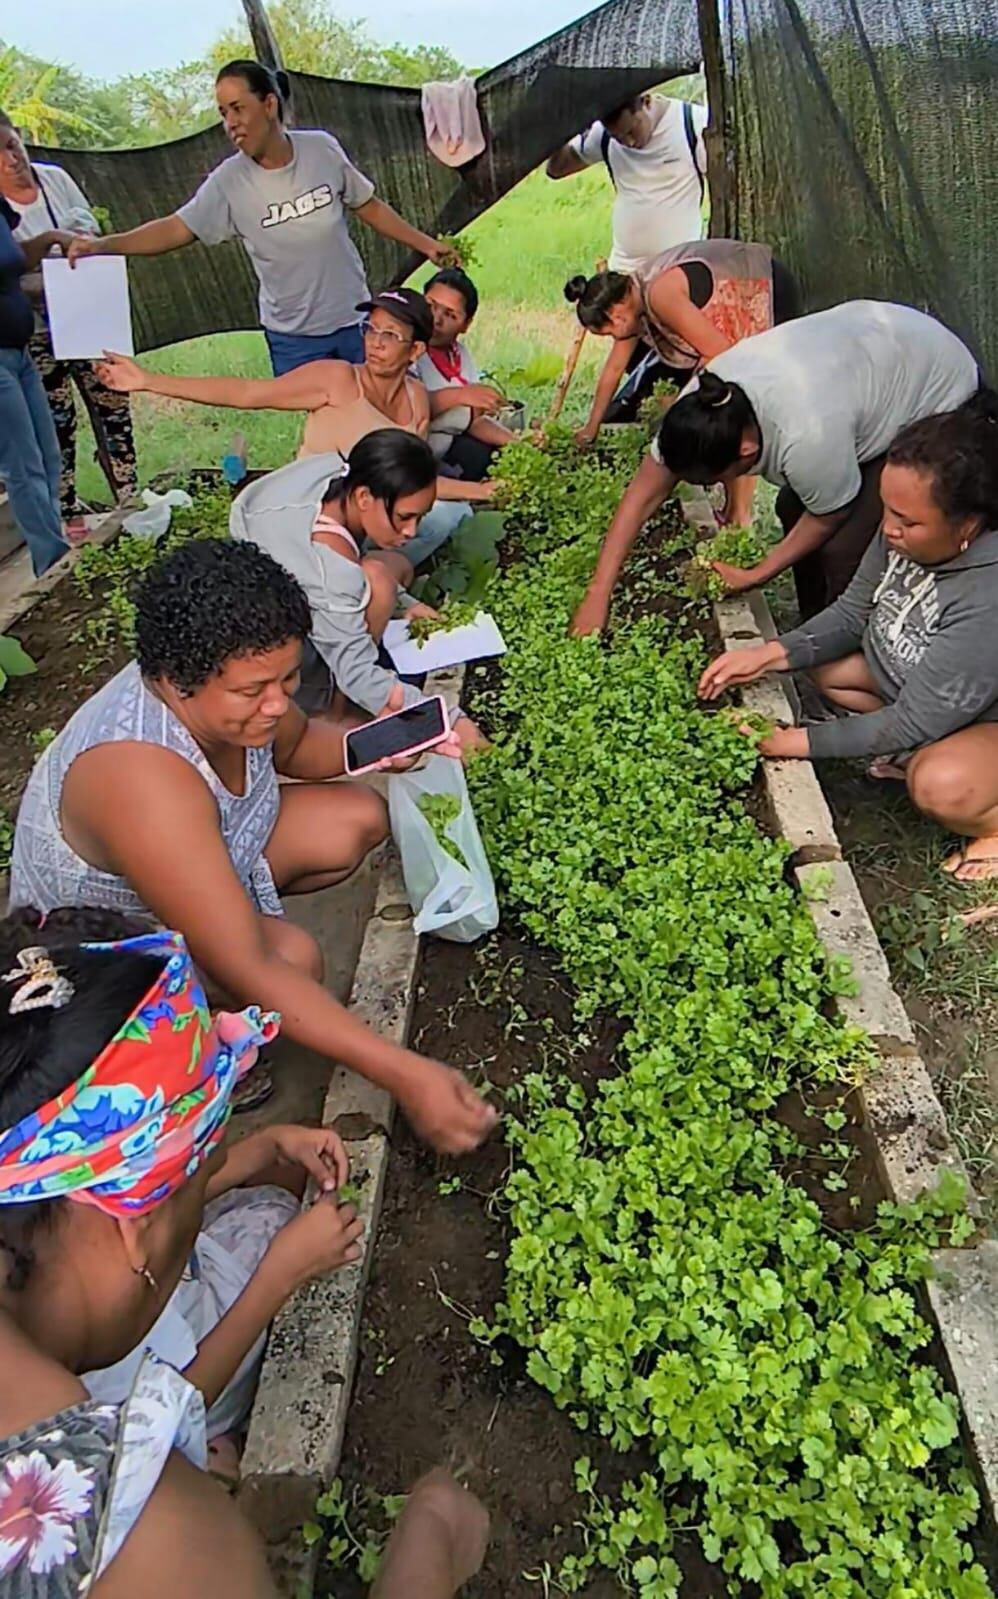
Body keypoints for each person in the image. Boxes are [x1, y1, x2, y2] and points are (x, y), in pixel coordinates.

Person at [9, 538, 497, 1154]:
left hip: (198, 857)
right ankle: (203, 1050)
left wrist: (389, 745)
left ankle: (217, 946)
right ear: (174, 681)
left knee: (356, 819)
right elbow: (256, 964)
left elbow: (296, 748)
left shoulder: (237, 682)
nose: (277, 704)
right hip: (104, 958)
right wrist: (405, 1072)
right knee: (290, 961)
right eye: (253, 691)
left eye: (289, 679)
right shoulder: (139, 777)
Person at [699, 391, 998, 885]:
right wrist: (768, 655)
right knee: (821, 664)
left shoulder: (987, 594)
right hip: (932, 693)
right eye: (886, 509)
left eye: (907, 521)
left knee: (938, 784)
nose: (888, 529)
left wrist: (786, 742)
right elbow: (851, 614)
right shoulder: (906, 527)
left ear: (967, 525)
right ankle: (929, 749)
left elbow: (908, 721)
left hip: (982, 716)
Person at [570, 301, 980, 637]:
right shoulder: (701, 403)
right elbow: (642, 495)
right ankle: (812, 626)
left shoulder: (807, 435)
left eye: (711, 479)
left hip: (932, 382)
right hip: (869, 361)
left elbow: (830, 513)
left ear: (746, 453)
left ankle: (856, 645)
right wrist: (597, 593)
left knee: (843, 547)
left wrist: (755, 574)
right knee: (790, 509)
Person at [67, 60, 456, 376]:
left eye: (238, 108)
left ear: (269, 105)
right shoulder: (229, 182)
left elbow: (368, 205)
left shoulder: (321, 149)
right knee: (321, 445)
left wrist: (426, 245)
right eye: (223, 113)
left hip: (355, 323)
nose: (230, 123)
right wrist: (105, 244)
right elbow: (175, 228)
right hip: (295, 338)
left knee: (374, 431)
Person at [97, 288, 493, 569]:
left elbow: (409, 486)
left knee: (449, 516)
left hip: (367, 520)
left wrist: (483, 493)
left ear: (417, 349)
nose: (375, 344)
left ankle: (371, 577)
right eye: (371, 330)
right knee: (399, 557)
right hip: (311, 517)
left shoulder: (415, 398)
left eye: (390, 336)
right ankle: (357, 580)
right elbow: (249, 393)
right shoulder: (338, 380)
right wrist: (148, 380)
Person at [230, 429, 485, 752]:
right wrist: (446, 717)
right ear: (364, 497)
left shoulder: (330, 472)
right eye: (404, 517)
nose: (412, 531)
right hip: (278, 659)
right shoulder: (329, 570)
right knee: (380, 579)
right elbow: (358, 672)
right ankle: (330, 712)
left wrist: (405, 603)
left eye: (420, 517)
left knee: (395, 571)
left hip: (269, 588)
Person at [564, 239, 801, 488]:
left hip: (766, 290)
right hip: (728, 326)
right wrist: (591, 428)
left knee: (738, 401)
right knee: (728, 404)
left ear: (615, 315)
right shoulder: (631, 302)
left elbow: (718, 355)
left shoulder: (659, 294)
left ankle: (739, 515)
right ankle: (735, 513)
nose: (614, 339)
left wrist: (679, 407)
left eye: (609, 332)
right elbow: (612, 371)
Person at [0, 111, 137, 538]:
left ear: (20, 138)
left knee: (113, 400)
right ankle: (67, 510)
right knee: (56, 419)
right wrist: (48, 278)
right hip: (37, 327)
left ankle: (129, 496)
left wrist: (78, 246)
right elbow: (9, 271)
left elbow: (88, 229)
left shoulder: (54, 179)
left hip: (87, 314)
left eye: (10, 144)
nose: (10, 159)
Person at [547, 89, 709, 423]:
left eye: (632, 132)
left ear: (646, 101)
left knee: (680, 382)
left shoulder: (693, 125)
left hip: (674, 288)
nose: (629, 143)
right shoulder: (604, 136)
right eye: (619, 139)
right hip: (626, 286)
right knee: (640, 382)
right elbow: (556, 169)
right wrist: (557, 130)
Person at [0, 189, 72, 577]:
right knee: (22, 465)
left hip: (20, 352)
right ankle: (53, 562)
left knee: (48, 454)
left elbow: (10, 261)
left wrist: (48, 241)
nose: (12, 157)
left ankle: (54, 549)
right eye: (4, 149)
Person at [415, 267, 517, 479]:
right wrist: (461, 395)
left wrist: (518, 443)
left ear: (466, 325)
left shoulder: (460, 355)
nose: (436, 319)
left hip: (446, 452)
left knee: (485, 454)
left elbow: (474, 422)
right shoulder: (408, 350)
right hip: (413, 460)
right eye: (431, 306)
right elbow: (403, 408)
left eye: (450, 314)